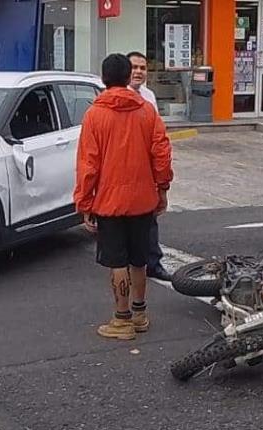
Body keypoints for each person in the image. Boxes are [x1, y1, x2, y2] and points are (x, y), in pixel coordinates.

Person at [74, 53, 173, 340]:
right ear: (129, 75)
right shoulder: (147, 111)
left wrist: (85, 203)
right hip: (143, 199)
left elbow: (88, 165)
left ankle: (122, 319)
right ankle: (140, 313)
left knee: (117, 262)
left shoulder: (95, 114)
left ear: (104, 78)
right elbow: (162, 154)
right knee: (139, 259)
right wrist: (162, 189)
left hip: (109, 202)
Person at [126, 50, 172, 281]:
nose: (138, 72)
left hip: (146, 166)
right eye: (134, 67)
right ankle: (124, 263)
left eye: (143, 68)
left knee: (150, 217)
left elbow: (158, 135)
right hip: (124, 166)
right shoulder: (116, 94)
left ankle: (153, 263)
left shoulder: (149, 96)